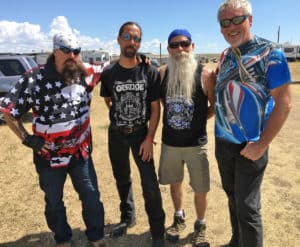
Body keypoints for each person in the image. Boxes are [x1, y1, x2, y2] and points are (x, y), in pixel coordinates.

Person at [0, 33, 107, 247]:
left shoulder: (85, 72)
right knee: (54, 202)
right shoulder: (34, 77)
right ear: (55, 50)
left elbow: (114, 68)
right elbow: (8, 112)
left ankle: (96, 237)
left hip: (80, 153)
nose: (72, 56)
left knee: (91, 197)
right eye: (66, 51)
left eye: (76, 51)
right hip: (48, 156)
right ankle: (63, 239)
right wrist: (28, 139)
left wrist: (140, 59)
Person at [215, 1, 292, 247]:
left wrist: (261, 144)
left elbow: (284, 103)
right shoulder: (225, 55)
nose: (231, 26)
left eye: (237, 19)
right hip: (223, 142)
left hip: (252, 144)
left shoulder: (271, 53)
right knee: (232, 198)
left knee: (248, 207)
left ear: (251, 19)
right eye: (225, 22)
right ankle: (237, 242)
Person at [100, 21, 165, 247]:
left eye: (136, 38)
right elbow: (108, 99)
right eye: (127, 36)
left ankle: (158, 231)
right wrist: (120, 118)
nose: (132, 41)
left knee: (149, 183)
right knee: (122, 178)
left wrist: (149, 138)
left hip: (141, 136)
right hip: (116, 135)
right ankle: (127, 217)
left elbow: (156, 107)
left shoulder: (149, 70)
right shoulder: (108, 72)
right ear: (118, 39)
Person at [158, 29, 215, 247]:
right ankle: (179, 218)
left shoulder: (205, 75)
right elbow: (164, 104)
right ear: (168, 49)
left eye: (184, 43)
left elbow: (214, 105)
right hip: (170, 143)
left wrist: (199, 121)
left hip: (196, 144)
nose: (179, 49)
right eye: (174, 45)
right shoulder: (162, 73)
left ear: (192, 46)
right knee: (175, 183)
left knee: (201, 188)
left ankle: (200, 225)